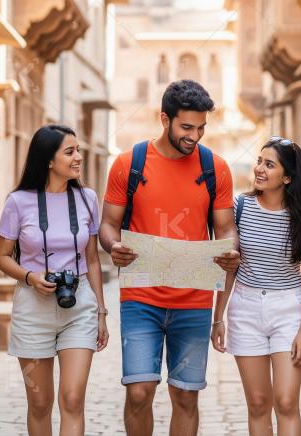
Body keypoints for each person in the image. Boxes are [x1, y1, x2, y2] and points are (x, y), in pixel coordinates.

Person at [98, 79, 239, 436]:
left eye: (202, 128)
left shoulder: (215, 168)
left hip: (194, 301)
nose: (195, 136)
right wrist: (113, 247)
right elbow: (108, 226)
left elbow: (225, 228)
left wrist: (230, 249)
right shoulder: (129, 164)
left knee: (186, 396)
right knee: (139, 392)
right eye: (187, 127)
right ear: (165, 119)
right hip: (140, 298)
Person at [0, 125, 109, 436]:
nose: (78, 158)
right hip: (33, 309)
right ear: (48, 160)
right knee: (40, 403)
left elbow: (94, 259)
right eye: (69, 152)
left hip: (79, 304)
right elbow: (1, 257)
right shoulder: (18, 202)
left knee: (72, 398)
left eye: (78, 150)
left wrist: (101, 311)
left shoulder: (87, 198)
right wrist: (30, 277)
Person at [211, 137, 301, 436]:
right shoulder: (239, 207)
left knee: (286, 402)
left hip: (288, 308)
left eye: (269, 164)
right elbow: (230, 267)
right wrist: (218, 316)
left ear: (287, 177)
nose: (259, 169)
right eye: (259, 161)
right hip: (245, 308)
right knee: (259, 403)